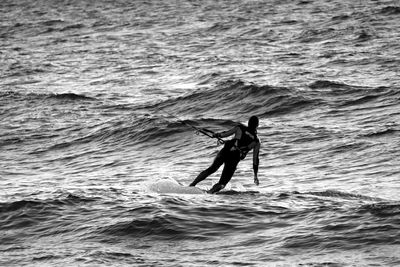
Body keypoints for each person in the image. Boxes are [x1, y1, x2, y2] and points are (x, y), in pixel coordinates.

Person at [189, 116, 260, 193]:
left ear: (248, 123)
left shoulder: (239, 128)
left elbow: (224, 134)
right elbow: (255, 160)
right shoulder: (256, 141)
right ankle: (209, 193)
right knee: (223, 183)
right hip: (234, 158)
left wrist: (216, 135)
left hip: (225, 151)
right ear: (257, 125)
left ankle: (191, 185)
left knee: (211, 169)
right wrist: (255, 175)